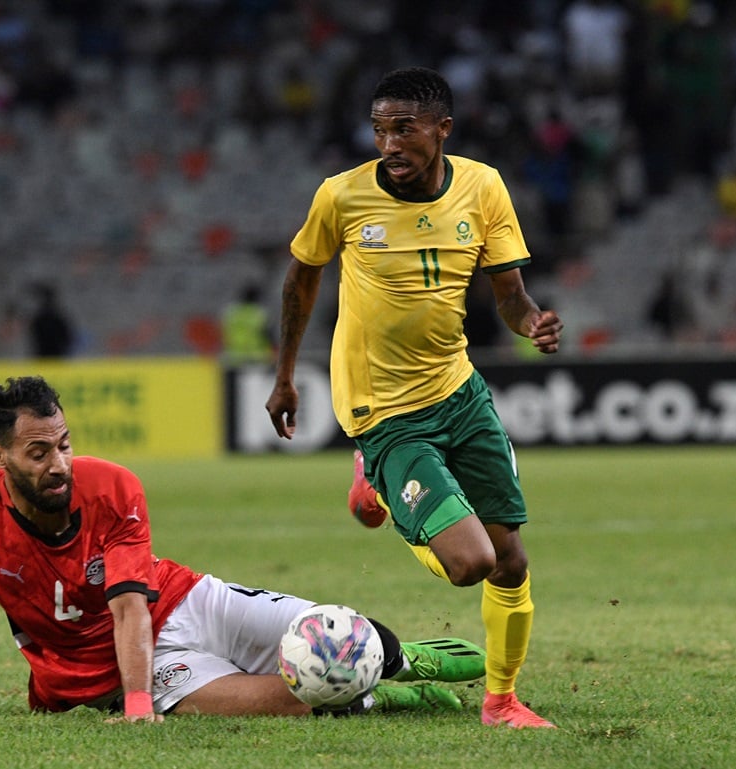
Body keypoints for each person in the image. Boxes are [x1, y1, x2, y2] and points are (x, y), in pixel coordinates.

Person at [0, 376, 485, 723]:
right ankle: (384, 699)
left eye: (65, 443)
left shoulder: (112, 488)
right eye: (38, 451)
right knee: (292, 698)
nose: (59, 463)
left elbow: (132, 604)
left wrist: (137, 719)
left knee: (333, 632)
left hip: (188, 601)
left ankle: (406, 657)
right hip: (131, 670)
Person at [265, 67, 564, 729]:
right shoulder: (341, 198)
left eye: (404, 128)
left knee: (510, 558)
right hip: (386, 410)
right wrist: (285, 375)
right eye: (379, 129)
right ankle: (374, 474)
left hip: (459, 392)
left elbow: (511, 297)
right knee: (471, 563)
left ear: (442, 130)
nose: (388, 143)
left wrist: (533, 323)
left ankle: (501, 701)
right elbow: (300, 284)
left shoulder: (483, 187)